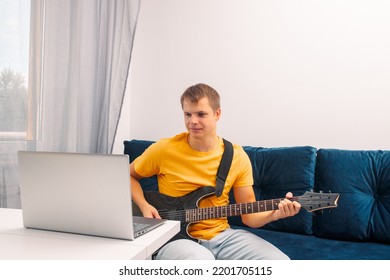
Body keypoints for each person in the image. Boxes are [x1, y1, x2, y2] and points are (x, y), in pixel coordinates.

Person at [130, 83, 301, 260]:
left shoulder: (236, 156)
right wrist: (144, 205)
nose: (192, 121)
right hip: (174, 239)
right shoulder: (164, 149)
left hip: (221, 236)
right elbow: (128, 175)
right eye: (188, 114)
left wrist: (276, 213)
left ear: (217, 114)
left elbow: (249, 218)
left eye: (201, 114)